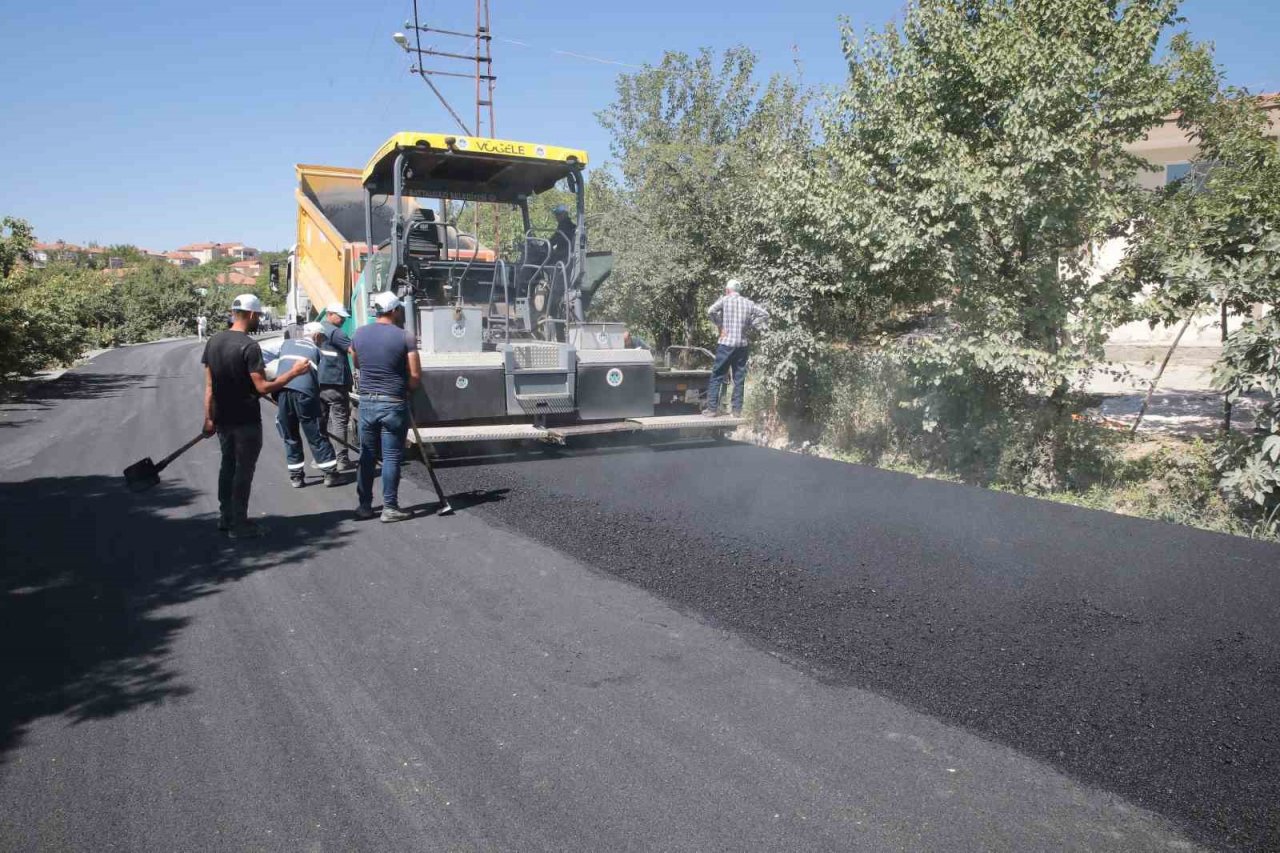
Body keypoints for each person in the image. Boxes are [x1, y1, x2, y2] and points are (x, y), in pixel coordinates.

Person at [202, 294, 310, 538]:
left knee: (227, 466)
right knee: (243, 470)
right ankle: (239, 524)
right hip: (245, 420)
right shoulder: (249, 347)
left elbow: (209, 385)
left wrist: (208, 418)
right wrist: (293, 372)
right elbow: (261, 387)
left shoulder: (214, 341)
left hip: (222, 418)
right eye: (258, 316)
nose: (258, 320)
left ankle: (225, 517)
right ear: (251, 315)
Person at [351, 291, 421, 523]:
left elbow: (358, 363)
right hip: (393, 402)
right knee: (391, 456)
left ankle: (364, 506)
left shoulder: (359, 334)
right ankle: (390, 507)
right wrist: (408, 390)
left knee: (367, 455)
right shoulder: (405, 337)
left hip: (367, 403)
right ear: (394, 311)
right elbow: (415, 376)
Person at [273, 322, 340, 489]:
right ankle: (330, 474)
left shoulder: (286, 344)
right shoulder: (316, 350)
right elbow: (319, 380)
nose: (322, 342)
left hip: (282, 390)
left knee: (290, 435)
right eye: (322, 338)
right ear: (317, 336)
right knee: (316, 433)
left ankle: (296, 477)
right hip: (304, 393)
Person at [704, 279, 769, 418]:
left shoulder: (724, 300)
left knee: (717, 375)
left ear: (728, 290)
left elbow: (710, 311)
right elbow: (765, 314)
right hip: (741, 345)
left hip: (726, 344)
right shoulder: (748, 303)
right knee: (738, 378)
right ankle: (736, 411)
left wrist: (720, 325)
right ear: (739, 291)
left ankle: (712, 409)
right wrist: (750, 324)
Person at [317, 303, 354, 472]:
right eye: (340, 317)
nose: (342, 320)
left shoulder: (317, 329)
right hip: (335, 383)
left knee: (321, 421)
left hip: (318, 382)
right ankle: (342, 459)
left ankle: (323, 457)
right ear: (330, 314)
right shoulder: (335, 332)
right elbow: (354, 349)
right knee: (339, 421)